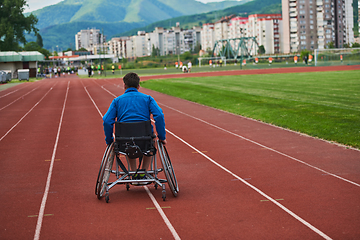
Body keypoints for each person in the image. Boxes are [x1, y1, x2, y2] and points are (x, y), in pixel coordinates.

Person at [103, 72, 166, 175]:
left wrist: (109, 141)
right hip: (145, 140)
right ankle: (144, 171)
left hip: (124, 141)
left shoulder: (117, 101)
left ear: (124, 85)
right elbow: (159, 115)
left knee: (128, 140)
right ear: (138, 86)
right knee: (151, 142)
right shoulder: (148, 99)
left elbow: (106, 120)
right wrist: (162, 137)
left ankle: (133, 171)